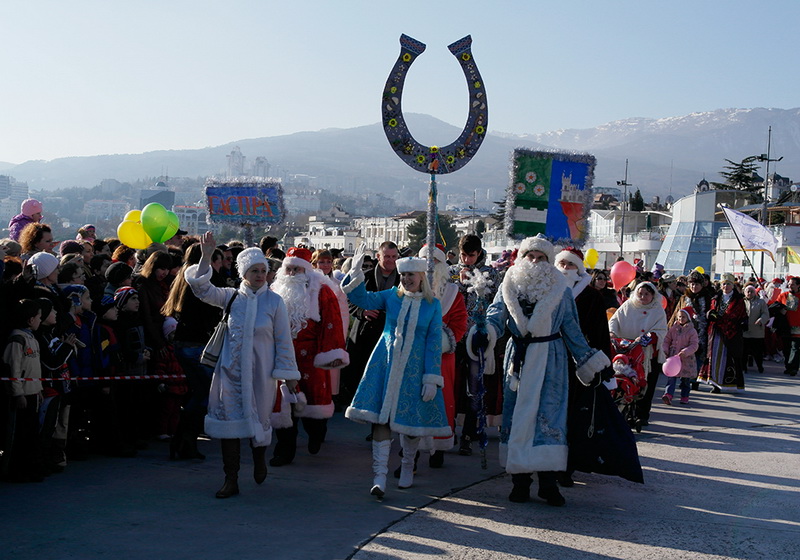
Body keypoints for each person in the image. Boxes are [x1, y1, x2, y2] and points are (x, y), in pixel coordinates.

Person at [469, 235, 610, 506]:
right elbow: (496, 316)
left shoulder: (560, 288)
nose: (534, 262)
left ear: (548, 261)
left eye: (540, 258)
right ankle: (520, 482)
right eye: (530, 257)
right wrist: (484, 332)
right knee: (517, 417)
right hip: (518, 360)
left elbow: (572, 329)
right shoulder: (509, 283)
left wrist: (588, 361)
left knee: (549, 418)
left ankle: (548, 483)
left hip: (551, 360)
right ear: (522, 259)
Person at [185, 232, 301, 499]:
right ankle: (231, 478)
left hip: (262, 374)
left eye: (263, 270)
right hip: (230, 373)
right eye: (254, 271)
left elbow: (284, 341)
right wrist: (205, 258)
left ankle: (259, 459)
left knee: (259, 422)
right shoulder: (230, 297)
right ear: (244, 273)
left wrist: (288, 375)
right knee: (230, 424)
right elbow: (200, 288)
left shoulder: (275, 302)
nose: (260, 275)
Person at [342, 253, 450, 498]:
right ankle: (379, 476)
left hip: (415, 369)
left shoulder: (432, 304)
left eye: (410, 274)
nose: (406, 279)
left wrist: (431, 377)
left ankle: (408, 464)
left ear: (421, 276)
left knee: (410, 423)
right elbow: (361, 299)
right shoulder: (391, 296)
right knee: (382, 419)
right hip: (385, 364)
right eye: (402, 275)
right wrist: (356, 274)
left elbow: (434, 342)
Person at [269, 247, 349, 466]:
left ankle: (316, 433)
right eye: (289, 269)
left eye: (297, 269)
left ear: (306, 270)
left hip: (311, 356)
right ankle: (284, 450)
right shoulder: (275, 290)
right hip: (283, 355)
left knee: (313, 402)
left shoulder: (322, 291)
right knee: (284, 403)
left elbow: (332, 323)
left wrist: (330, 353)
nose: (292, 274)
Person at [554, 247, 612, 487]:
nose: (565, 268)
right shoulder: (548, 289)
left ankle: (567, 467)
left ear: (579, 269)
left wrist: (603, 367)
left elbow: (600, 333)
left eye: (571, 264)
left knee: (574, 415)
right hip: (550, 360)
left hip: (578, 365)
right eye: (562, 264)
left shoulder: (591, 296)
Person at [416, 243, 467, 469]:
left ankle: (438, 447)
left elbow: (460, 323)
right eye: (425, 261)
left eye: (434, 261)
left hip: (441, 357)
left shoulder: (453, 293)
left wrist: (442, 341)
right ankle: (411, 452)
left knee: (441, 401)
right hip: (414, 356)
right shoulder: (409, 287)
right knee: (413, 399)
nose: (429, 266)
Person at [449, 233, 500, 456]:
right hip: (453, 336)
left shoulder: (491, 274)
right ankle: (447, 430)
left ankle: (468, 435)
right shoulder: (452, 272)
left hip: (477, 336)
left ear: (479, 253)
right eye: (463, 255)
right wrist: (458, 282)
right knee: (449, 384)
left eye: (471, 255)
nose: (466, 259)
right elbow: (444, 295)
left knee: (475, 387)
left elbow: (497, 304)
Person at [339, 241, 400, 409]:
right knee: (358, 371)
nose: (391, 260)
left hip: (390, 332)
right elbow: (349, 300)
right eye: (387, 256)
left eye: (394, 257)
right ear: (378, 256)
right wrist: (362, 311)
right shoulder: (364, 276)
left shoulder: (404, 278)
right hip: (364, 332)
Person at [608, 281, 668, 426]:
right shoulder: (628, 305)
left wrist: (647, 338)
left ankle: (642, 414)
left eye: (647, 294)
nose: (643, 297)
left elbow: (661, 330)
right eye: (640, 293)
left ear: (653, 295)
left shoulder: (658, 310)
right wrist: (612, 333)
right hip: (625, 350)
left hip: (647, 353)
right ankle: (624, 411)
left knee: (646, 384)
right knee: (624, 381)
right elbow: (614, 320)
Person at [1, 299, 44, 482]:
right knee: (19, 434)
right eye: (39, 317)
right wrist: (17, 393)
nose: (40, 320)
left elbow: (35, 369)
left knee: (31, 434)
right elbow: (13, 369)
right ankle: (15, 471)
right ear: (30, 319)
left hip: (33, 393)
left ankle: (30, 468)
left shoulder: (32, 338)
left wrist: (39, 389)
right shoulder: (17, 339)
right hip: (22, 396)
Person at [703, 273, 747, 391]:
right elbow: (711, 311)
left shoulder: (738, 300)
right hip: (717, 331)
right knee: (715, 357)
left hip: (732, 333)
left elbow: (742, 315)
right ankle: (715, 384)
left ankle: (727, 383)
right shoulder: (716, 298)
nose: (726, 286)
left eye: (728, 284)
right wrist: (711, 314)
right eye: (724, 284)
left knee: (728, 358)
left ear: (732, 285)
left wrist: (740, 322)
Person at [662, 307, 699, 405]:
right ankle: (668, 394)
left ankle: (684, 396)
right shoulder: (673, 329)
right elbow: (667, 340)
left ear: (688, 318)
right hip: (673, 358)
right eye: (679, 317)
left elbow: (694, 345)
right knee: (671, 377)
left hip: (686, 359)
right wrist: (665, 350)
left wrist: (686, 351)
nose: (681, 319)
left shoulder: (692, 331)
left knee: (685, 379)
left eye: (683, 317)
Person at [742, 284, 769, 374]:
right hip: (744, 331)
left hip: (757, 331)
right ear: (744, 292)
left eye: (752, 291)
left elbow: (765, 314)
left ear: (755, 292)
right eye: (748, 291)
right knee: (744, 351)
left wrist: (761, 320)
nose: (749, 293)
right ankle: (743, 367)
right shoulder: (741, 302)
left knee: (757, 351)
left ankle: (760, 366)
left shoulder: (761, 302)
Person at [776, 276, 800, 376]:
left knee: (795, 347)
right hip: (785, 327)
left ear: (798, 285)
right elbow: (775, 308)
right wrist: (780, 311)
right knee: (786, 348)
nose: (790, 286)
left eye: (793, 284)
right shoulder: (783, 296)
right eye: (789, 284)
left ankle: (793, 368)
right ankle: (788, 366)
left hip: (798, 327)